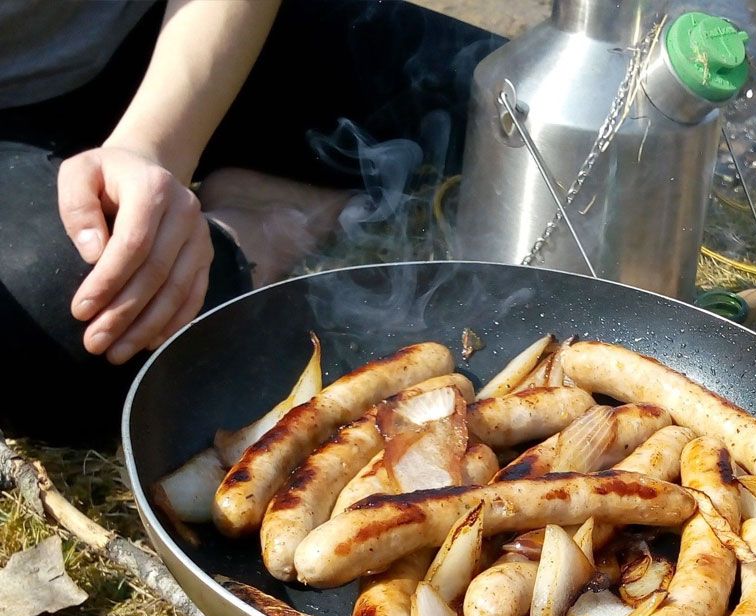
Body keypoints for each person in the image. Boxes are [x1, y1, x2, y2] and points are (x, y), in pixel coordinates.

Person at [0, 0, 502, 445]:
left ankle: (234, 201)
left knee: (520, 113)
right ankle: (261, 232)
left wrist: (153, 150)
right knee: (62, 324)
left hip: (189, 34)